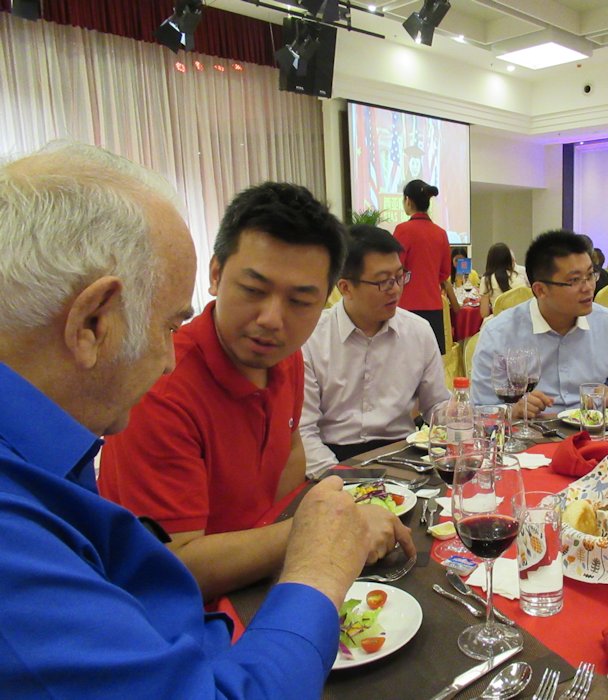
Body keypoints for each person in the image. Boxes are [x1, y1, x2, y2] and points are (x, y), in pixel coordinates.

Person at [0, 143, 371, 696]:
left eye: (301, 300)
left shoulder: (52, 450)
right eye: (169, 323)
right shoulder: (18, 541)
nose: (170, 356)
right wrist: (318, 557)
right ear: (93, 321)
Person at [99, 182, 415, 602]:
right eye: (253, 290)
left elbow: (288, 458)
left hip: (261, 582)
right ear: (215, 274)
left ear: (327, 298)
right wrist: (327, 531)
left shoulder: (286, 357)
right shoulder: (160, 383)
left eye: (301, 301)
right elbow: (170, 569)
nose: (272, 319)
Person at [300, 225, 451, 476]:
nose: (395, 289)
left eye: (399, 277)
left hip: (403, 455)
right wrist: (341, 479)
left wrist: (460, 414)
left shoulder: (418, 331)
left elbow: (435, 404)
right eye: (382, 282)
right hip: (333, 458)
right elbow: (303, 432)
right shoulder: (312, 337)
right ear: (345, 287)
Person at [471, 230, 608, 414]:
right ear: (541, 290)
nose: (588, 288)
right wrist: (513, 411)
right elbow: (480, 407)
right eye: (574, 280)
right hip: (531, 437)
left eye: (591, 275)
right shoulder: (499, 333)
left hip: (595, 435)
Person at [394, 178, 451, 353]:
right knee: (430, 364)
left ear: (408, 201)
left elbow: (394, 268)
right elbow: (445, 273)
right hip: (434, 306)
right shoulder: (441, 234)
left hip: (407, 307)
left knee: (404, 363)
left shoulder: (403, 230)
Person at [478, 242, 529, 317]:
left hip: (500, 323)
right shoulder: (519, 276)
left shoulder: (487, 280)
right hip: (522, 321)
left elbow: (484, 313)